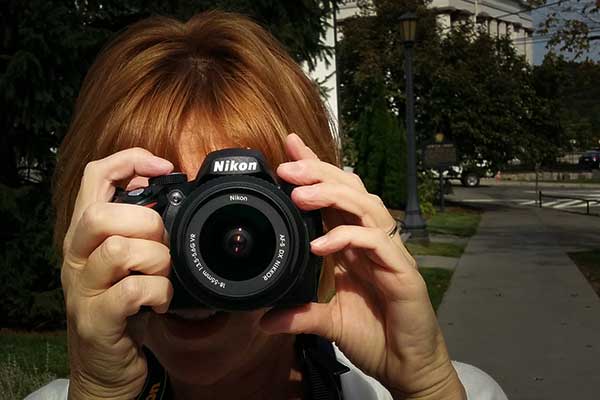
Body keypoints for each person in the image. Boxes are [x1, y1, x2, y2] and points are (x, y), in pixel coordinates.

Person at [27, 11, 507, 400]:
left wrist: (426, 389)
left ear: (313, 219)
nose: (197, 253)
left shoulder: (439, 391)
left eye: (242, 211)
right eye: (161, 204)